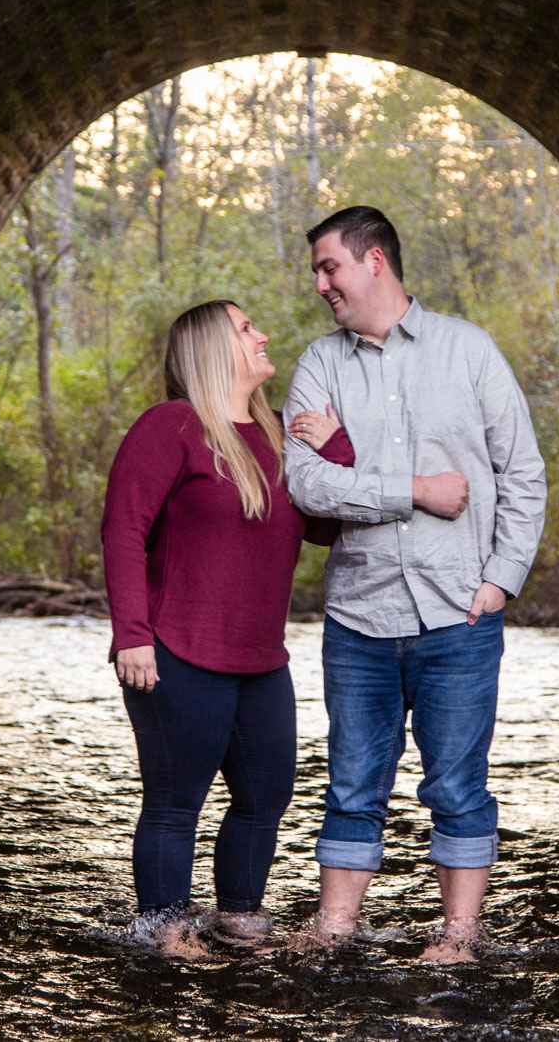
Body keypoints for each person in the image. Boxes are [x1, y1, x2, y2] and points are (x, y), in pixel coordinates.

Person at [283, 206, 547, 962]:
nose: (322, 285)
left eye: (329, 267)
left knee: (458, 784)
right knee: (350, 783)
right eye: (317, 274)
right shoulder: (318, 364)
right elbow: (305, 483)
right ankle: (334, 931)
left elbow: (522, 473)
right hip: (358, 617)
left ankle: (459, 936)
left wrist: (500, 580)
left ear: (375, 262)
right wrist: (415, 490)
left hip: (459, 613)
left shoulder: (469, 351)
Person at [101, 300, 353, 953]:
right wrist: (132, 632)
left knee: (266, 795)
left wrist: (334, 446)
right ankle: (163, 931)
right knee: (174, 800)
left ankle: (239, 922)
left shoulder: (277, 436)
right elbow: (123, 528)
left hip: (260, 660)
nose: (263, 333)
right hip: (174, 651)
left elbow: (327, 525)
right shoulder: (171, 426)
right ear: (212, 351)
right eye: (246, 329)